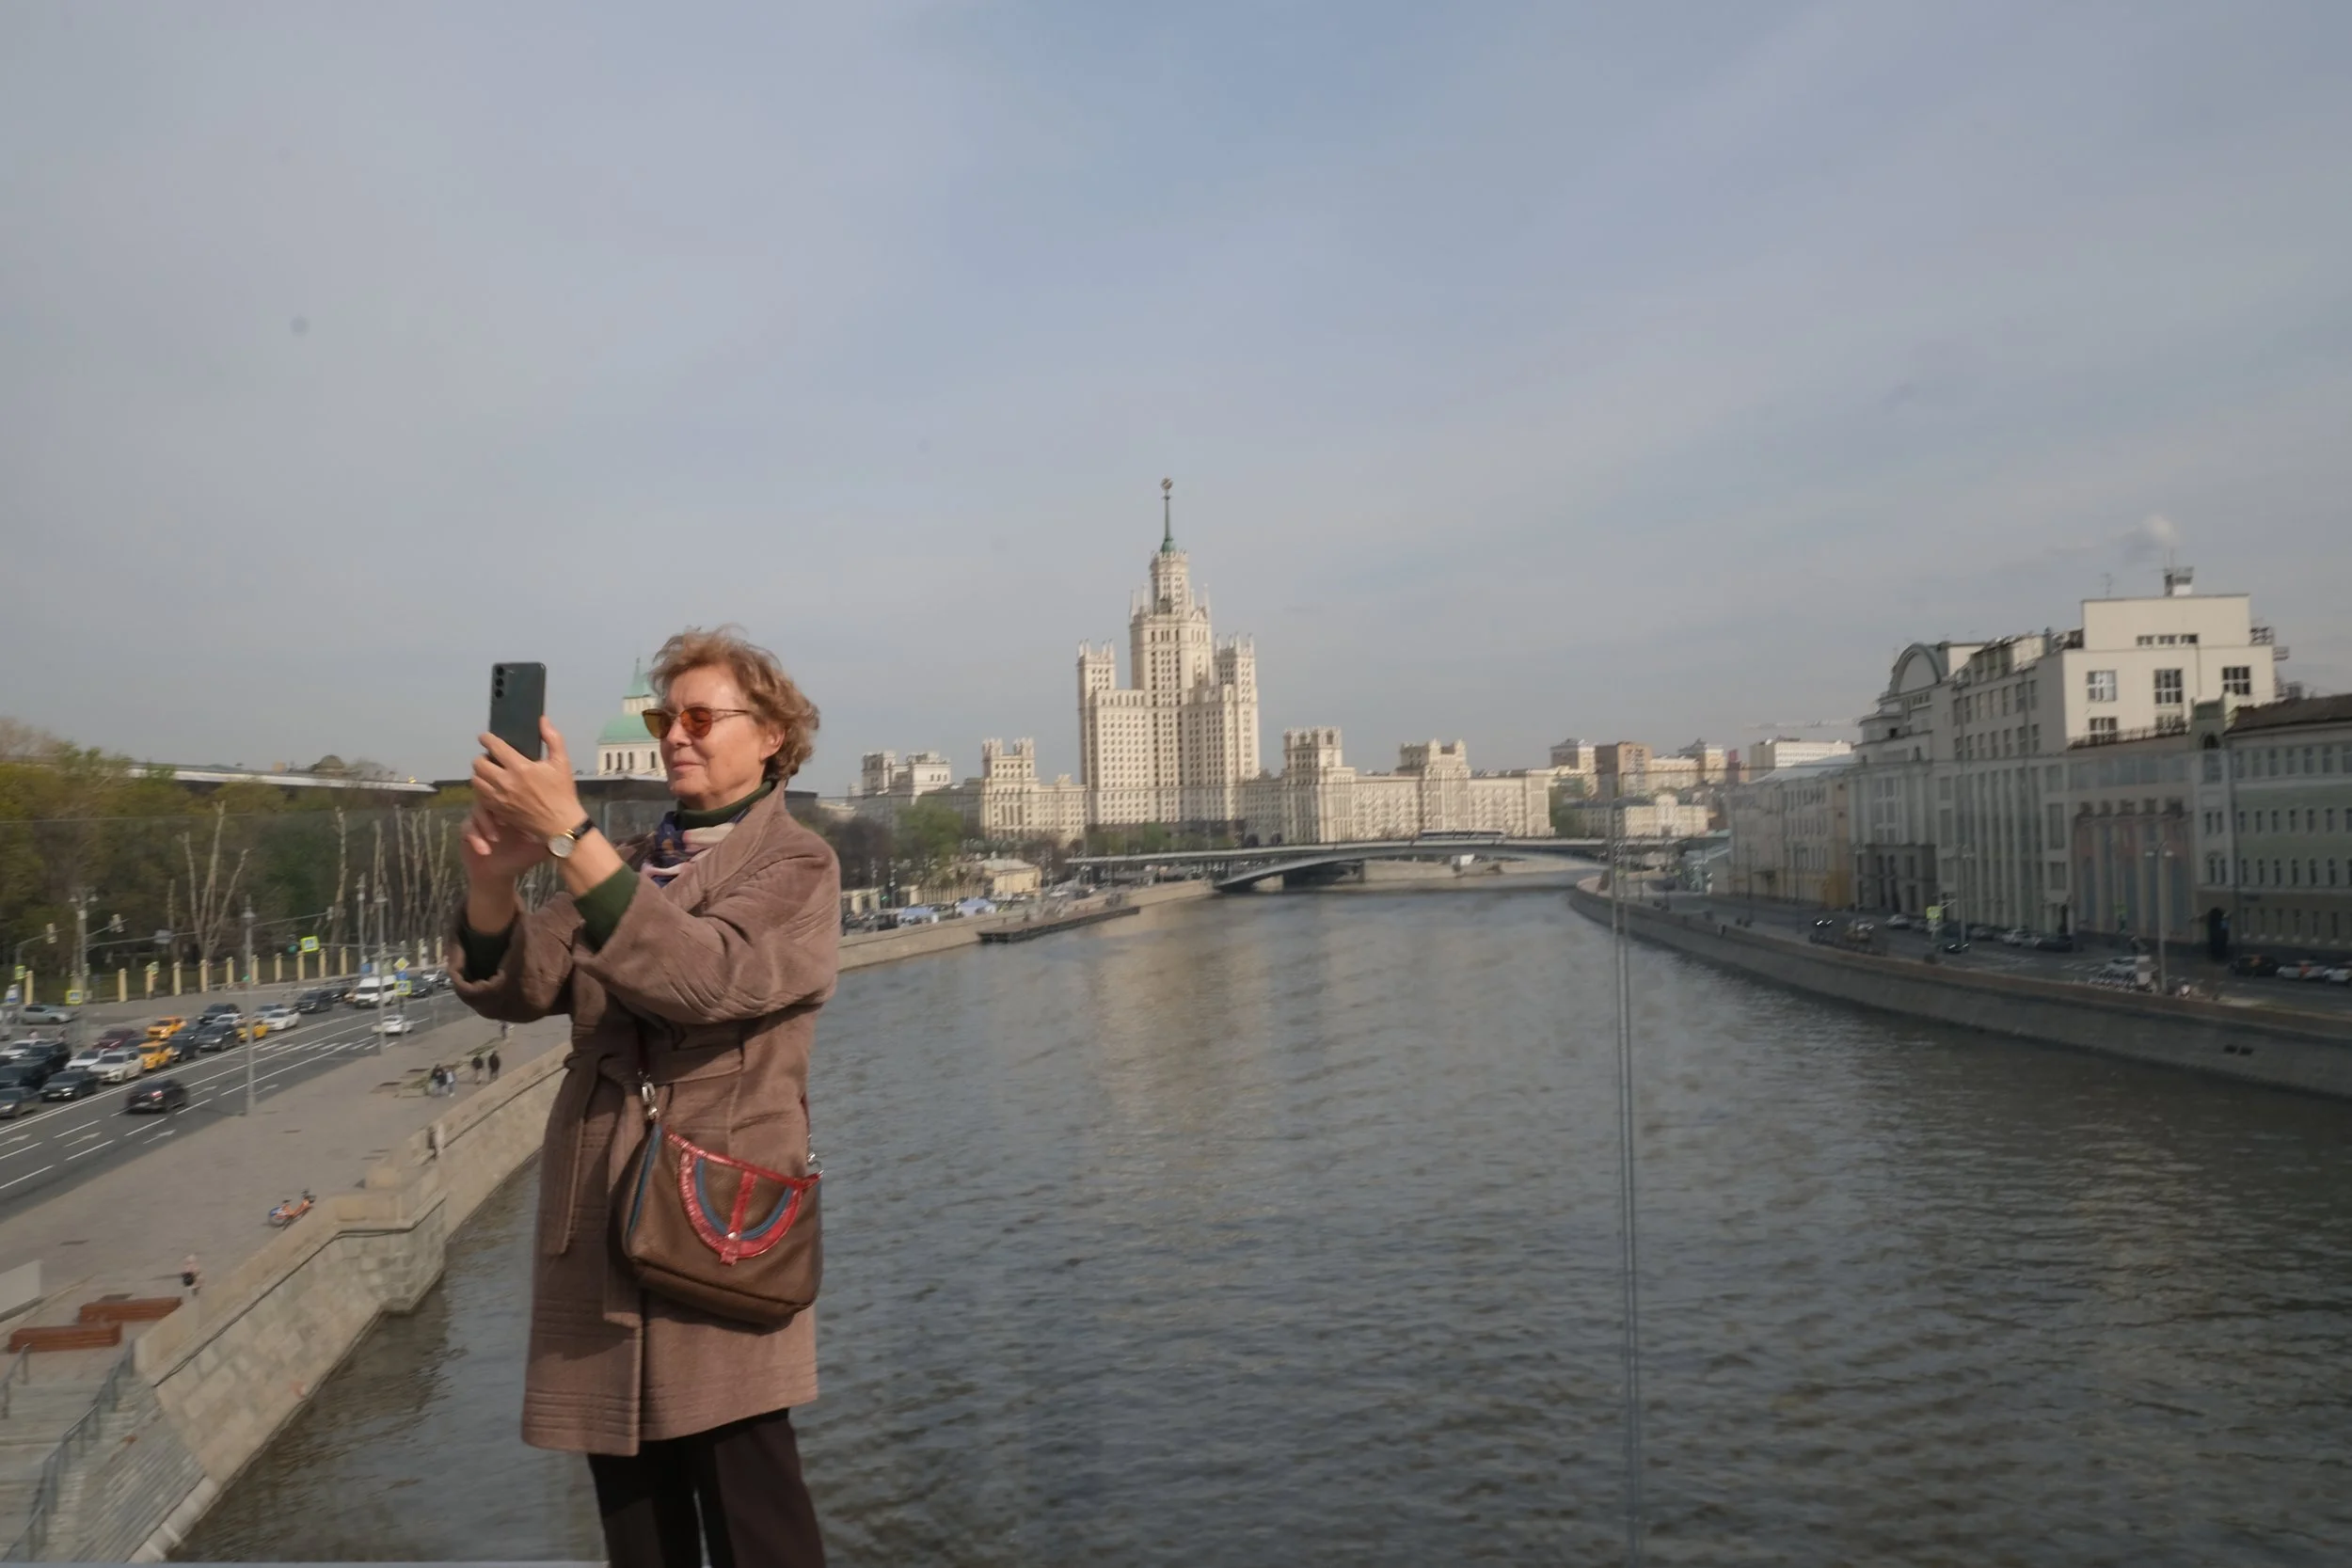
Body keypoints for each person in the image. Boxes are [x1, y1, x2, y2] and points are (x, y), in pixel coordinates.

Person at [450, 626, 836, 1568]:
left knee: (754, 1510)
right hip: (600, 1212)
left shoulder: (797, 866)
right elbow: (517, 987)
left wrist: (571, 838)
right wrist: (494, 885)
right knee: (634, 1517)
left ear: (774, 735)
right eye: (668, 716)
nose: (675, 735)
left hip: (717, 1220)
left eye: (703, 716)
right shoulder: (626, 855)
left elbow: (708, 978)